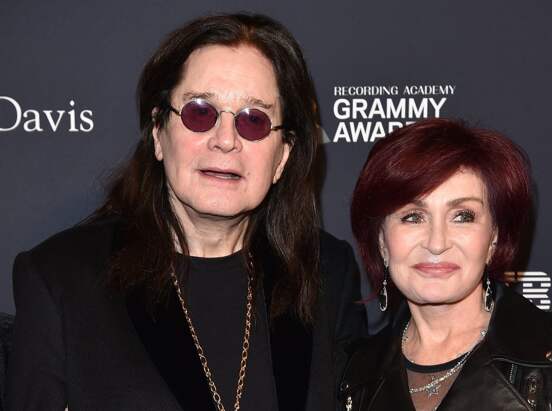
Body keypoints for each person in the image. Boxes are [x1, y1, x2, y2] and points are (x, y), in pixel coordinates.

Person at [7, 13, 366, 411]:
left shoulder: (327, 274)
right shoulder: (61, 279)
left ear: (282, 156)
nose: (225, 140)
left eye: (254, 120)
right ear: (159, 132)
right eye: (200, 112)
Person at [342, 118, 552, 410]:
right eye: (413, 217)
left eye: (463, 216)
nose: (437, 243)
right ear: (382, 242)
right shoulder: (356, 374)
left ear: (494, 238)